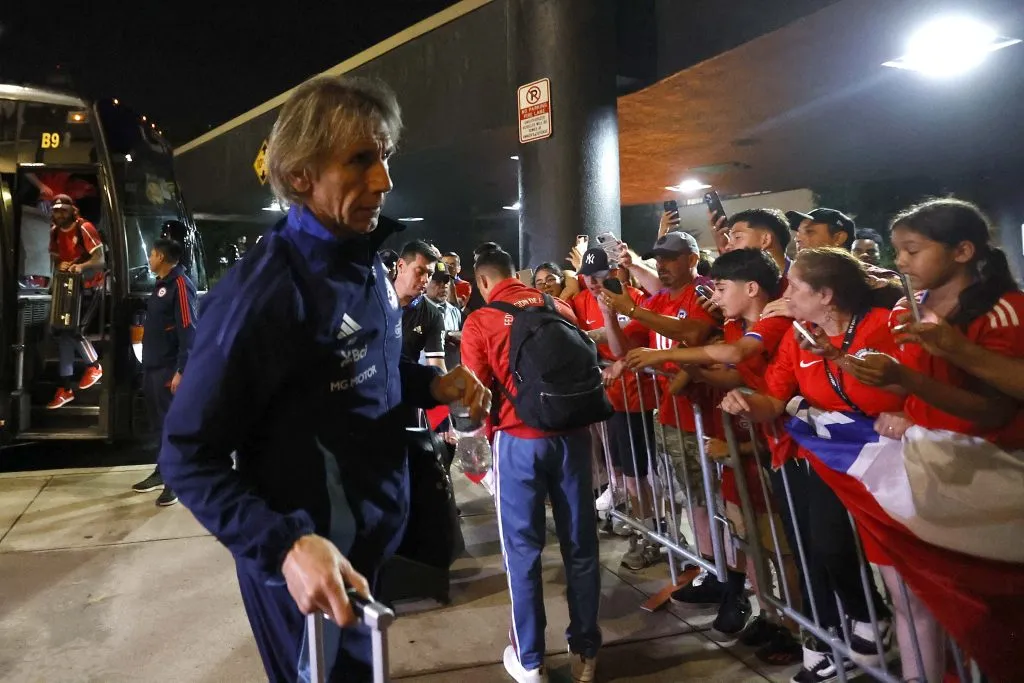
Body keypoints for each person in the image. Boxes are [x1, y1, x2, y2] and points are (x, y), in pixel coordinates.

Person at [158, 76, 490, 683]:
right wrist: (283, 546)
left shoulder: (361, 260)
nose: (384, 181)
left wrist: (428, 386)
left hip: (367, 557)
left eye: (385, 157)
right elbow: (187, 458)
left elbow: (349, 376)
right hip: (310, 582)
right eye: (360, 160)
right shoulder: (262, 296)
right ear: (302, 174)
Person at [720, 248, 900, 682]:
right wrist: (748, 404)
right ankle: (860, 624)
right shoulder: (796, 336)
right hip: (827, 458)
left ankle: (886, 630)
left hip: (893, 464)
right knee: (824, 546)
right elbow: (775, 399)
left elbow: (915, 382)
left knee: (895, 568)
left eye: (797, 286)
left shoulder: (882, 328)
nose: (787, 292)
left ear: (826, 295)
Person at [461, 248, 601, 683]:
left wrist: (473, 447)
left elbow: (473, 397)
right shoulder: (557, 305)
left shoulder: (481, 321)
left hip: (519, 443)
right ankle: (585, 654)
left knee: (522, 552)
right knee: (581, 546)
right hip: (573, 440)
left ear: (483, 282)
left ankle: (531, 660)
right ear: (514, 274)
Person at [573, 247, 659, 569]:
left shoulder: (634, 299)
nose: (594, 283)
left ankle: (649, 535)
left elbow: (622, 350)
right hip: (611, 399)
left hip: (637, 400)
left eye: (600, 276)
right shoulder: (584, 301)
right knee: (622, 471)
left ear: (613, 273)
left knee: (640, 475)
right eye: (588, 277)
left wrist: (609, 317)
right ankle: (639, 527)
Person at [130, 238, 198, 507]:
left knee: (172, 427)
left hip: (169, 369)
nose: (149, 258)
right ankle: (162, 471)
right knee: (159, 426)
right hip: (153, 366)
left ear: (161, 256)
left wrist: (182, 371)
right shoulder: (161, 284)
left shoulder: (180, 285)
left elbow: (188, 329)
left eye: (151, 254)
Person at [46, 194, 104, 409]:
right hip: (67, 285)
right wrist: (61, 264)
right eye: (56, 210)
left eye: (63, 210)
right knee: (62, 332)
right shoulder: (54, 232)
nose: (59, 214)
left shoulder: (84, 227)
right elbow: (56, 258)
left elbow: (100, 259)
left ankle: (95, 365)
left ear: (73, 210)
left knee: (74, 330)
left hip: (90, 285)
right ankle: (65, 388)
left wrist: (81, 266)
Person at [395, 240, 446, 369]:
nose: (425, 280)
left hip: (406, 386)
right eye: (419, 271)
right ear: (400, 266)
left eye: (430, 274)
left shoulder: (432, 315)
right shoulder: (373, 301)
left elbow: (437, 367)